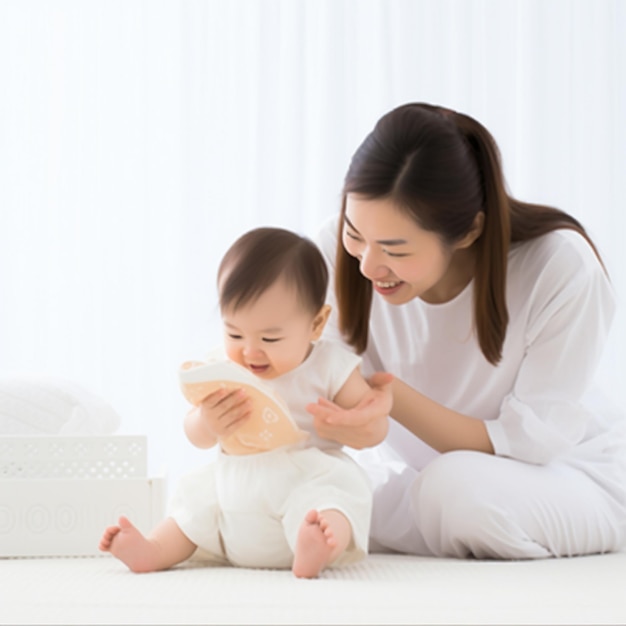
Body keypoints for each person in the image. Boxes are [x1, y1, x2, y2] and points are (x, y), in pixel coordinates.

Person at [309, 102, 626, 559]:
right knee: (308, 496)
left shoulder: (558, 267)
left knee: (452, 493)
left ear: (467, 232)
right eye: (355, 234)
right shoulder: (333, 253)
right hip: (425, 479)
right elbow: (319, 377)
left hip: (560, 475)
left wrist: (391, 401)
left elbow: (529, 444)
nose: (368, 265)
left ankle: (455, 529)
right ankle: (444, 531)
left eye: (395, 250)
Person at [99, 227, 392, 578]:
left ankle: (317, 544)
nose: (250, 351)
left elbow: (373, 426)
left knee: (338, 494)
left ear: (316, 324)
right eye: (234, 333)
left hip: (305, 478)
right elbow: (195, 433)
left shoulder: (330, 367)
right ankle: (156, 549)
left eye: (270, 337)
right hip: (235, 490)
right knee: (194, 501)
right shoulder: (220, 368)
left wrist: (353, 423)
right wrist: (207, 423)